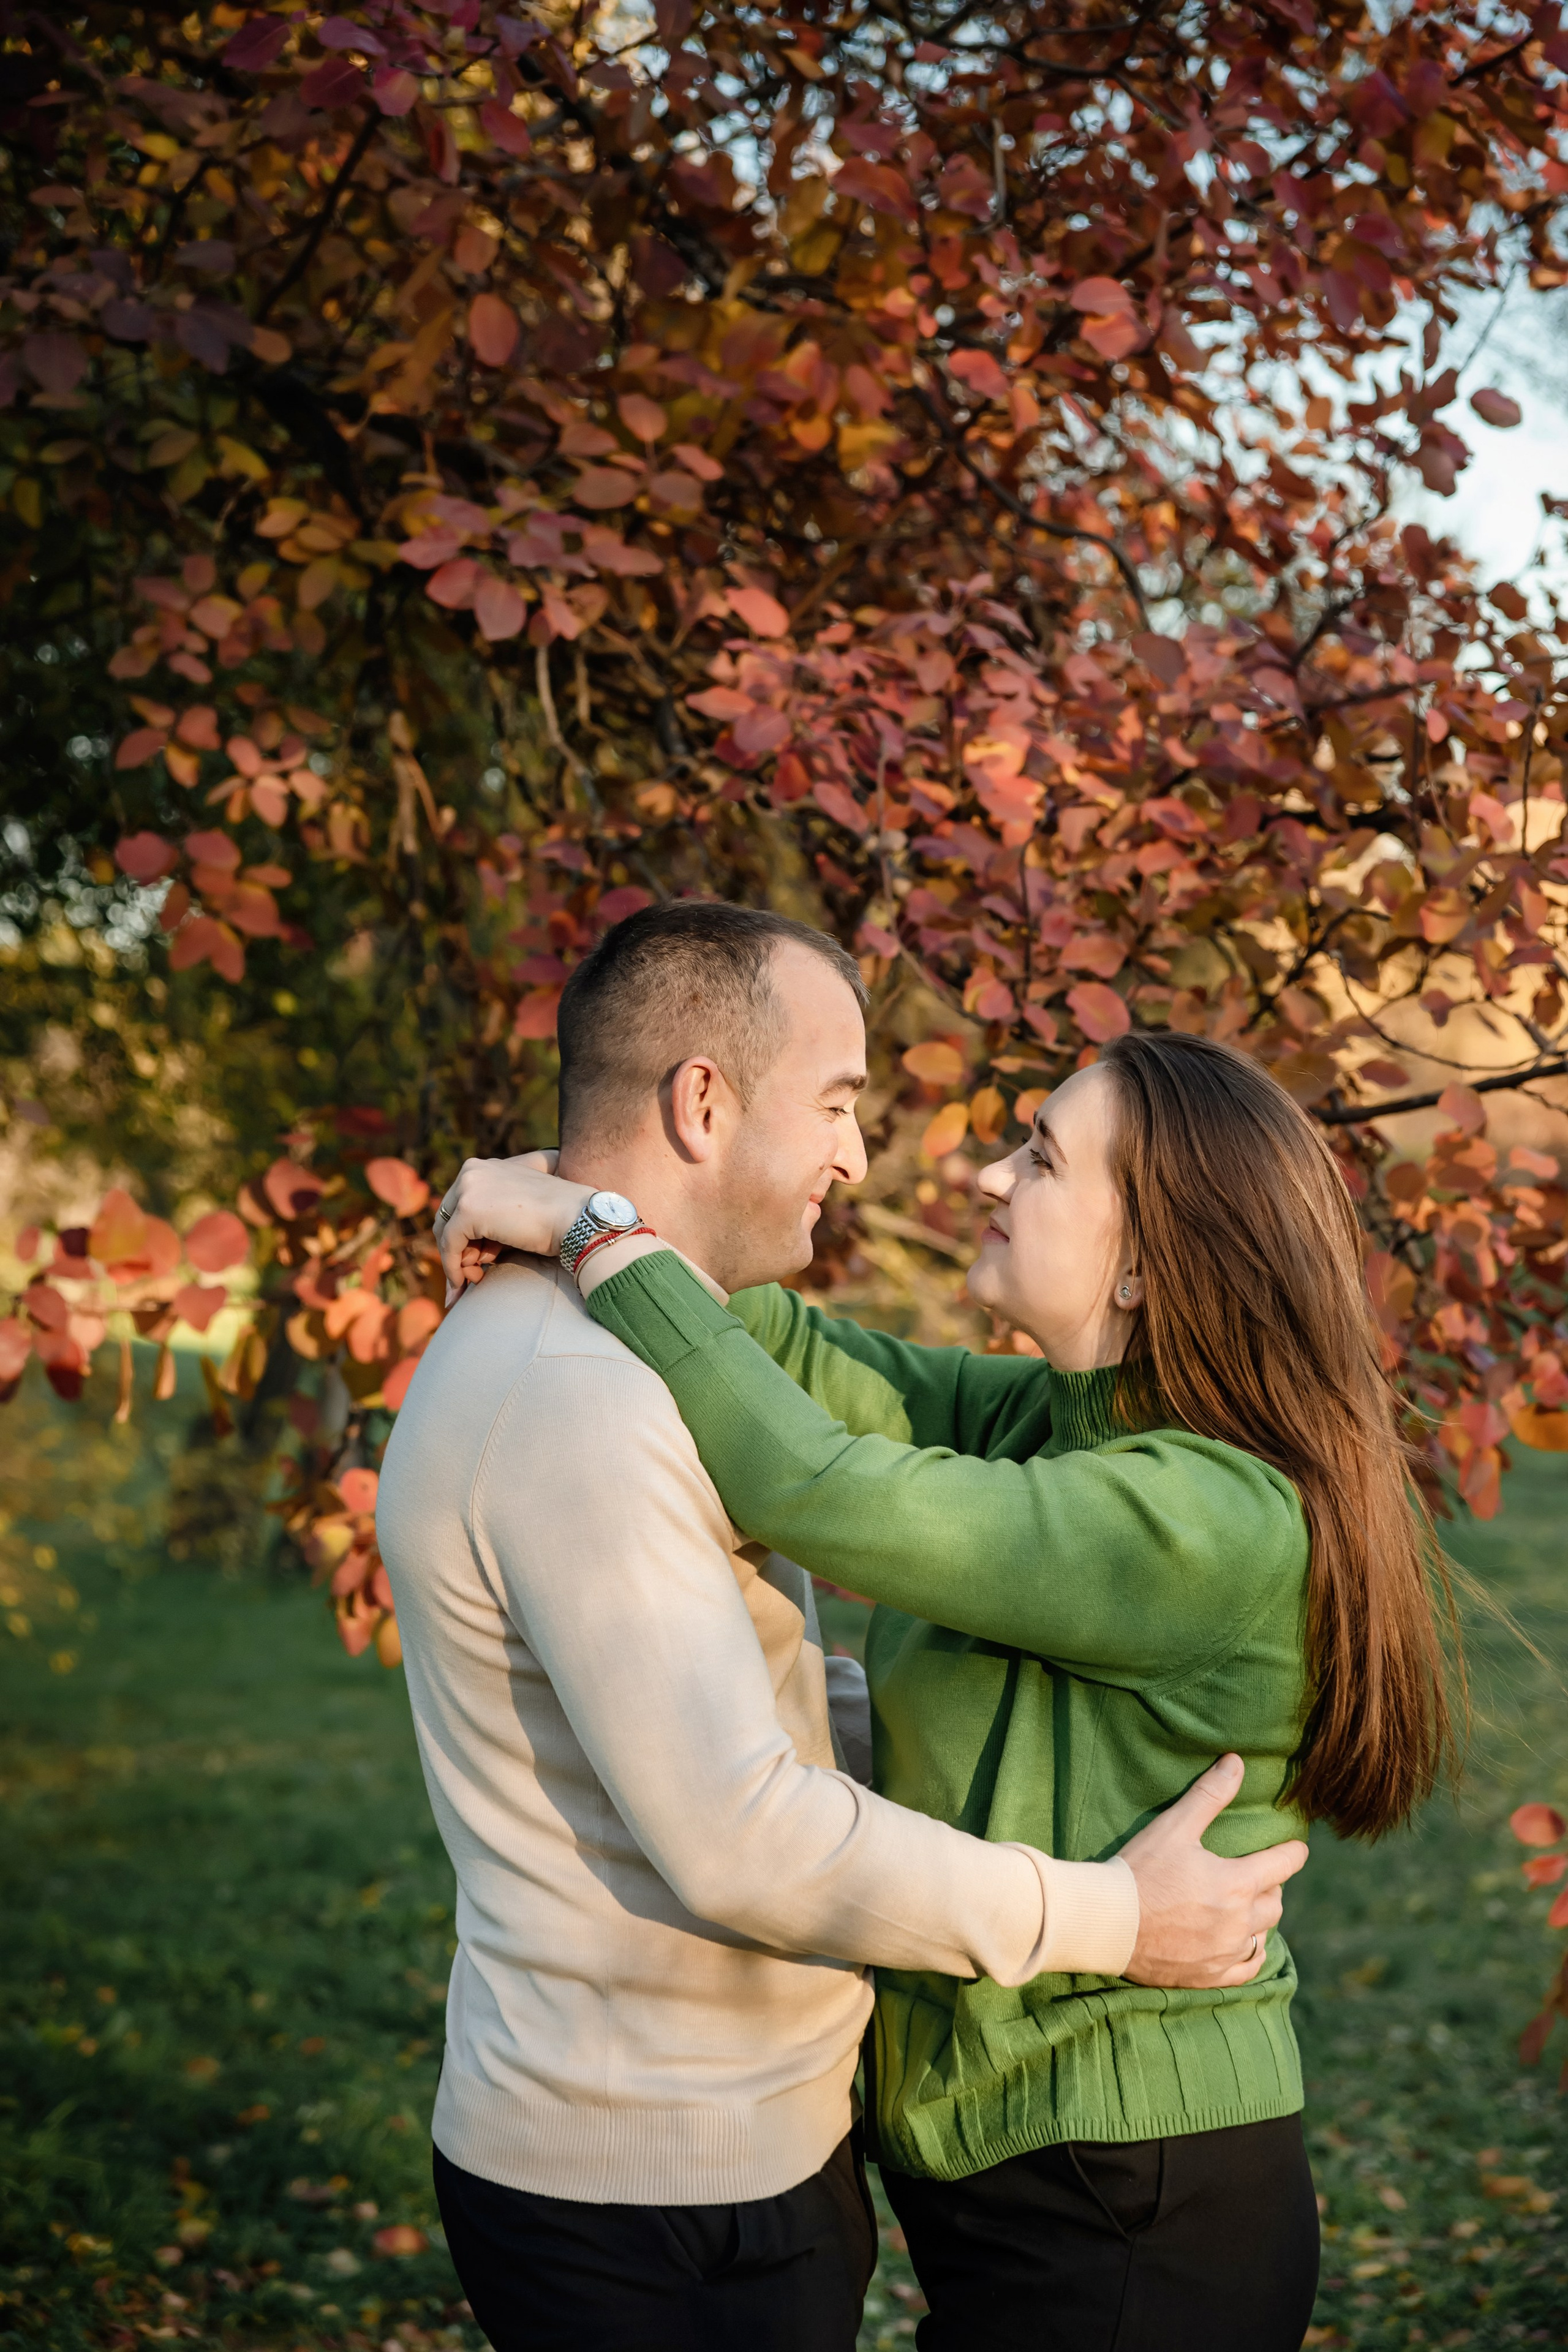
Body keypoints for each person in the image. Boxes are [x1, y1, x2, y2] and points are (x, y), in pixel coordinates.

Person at [438, 1002, 1458, 2352]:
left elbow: (811, 1483)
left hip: (1130, 2207)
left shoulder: (1198, 1516)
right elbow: (782, 1356)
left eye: (1038, 1158)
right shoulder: (1057, 1424)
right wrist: (573, 1191)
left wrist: (589, 1235)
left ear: (1144, 1265)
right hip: (1034, 2177)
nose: (987, 1174)